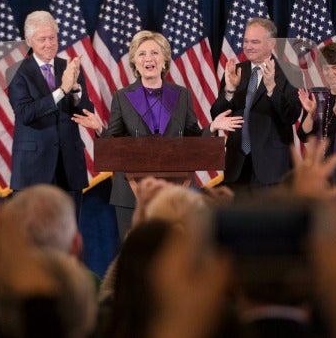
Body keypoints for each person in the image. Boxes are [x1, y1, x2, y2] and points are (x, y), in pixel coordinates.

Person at [73, 30, 242, 238]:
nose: (148, 59)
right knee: (135, 255)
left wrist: (213, 127)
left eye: (154, 53)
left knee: (174, 254)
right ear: (134, 62)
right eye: (142, 54)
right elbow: (113, 146)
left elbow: (194, 140)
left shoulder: (182, 95)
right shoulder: (122, 97)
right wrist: (100, 128)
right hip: (131, 194)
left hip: (176, 191)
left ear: (164, 60)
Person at [8, 11, 92, 213]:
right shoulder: (17, 71)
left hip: (69, 165)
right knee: (33, 237)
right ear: (29, 41)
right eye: (42, 39)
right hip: (34, 169)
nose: (49, 44)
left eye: (52, 38)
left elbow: (87, 111)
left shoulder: (69, 67)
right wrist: (61, 90)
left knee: (69, 234)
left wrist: (74, 90)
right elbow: (25, 113)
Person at [210, 17, 301, 193]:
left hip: (272, 170)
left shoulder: (290, 72)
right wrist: (229, 90)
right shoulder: (237, 71)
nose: (248, 46)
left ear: (272, 43)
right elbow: (216, 115)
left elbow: (291, 116)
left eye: (255, 42)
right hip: (237, 166)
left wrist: (272, 89)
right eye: (245, 41)